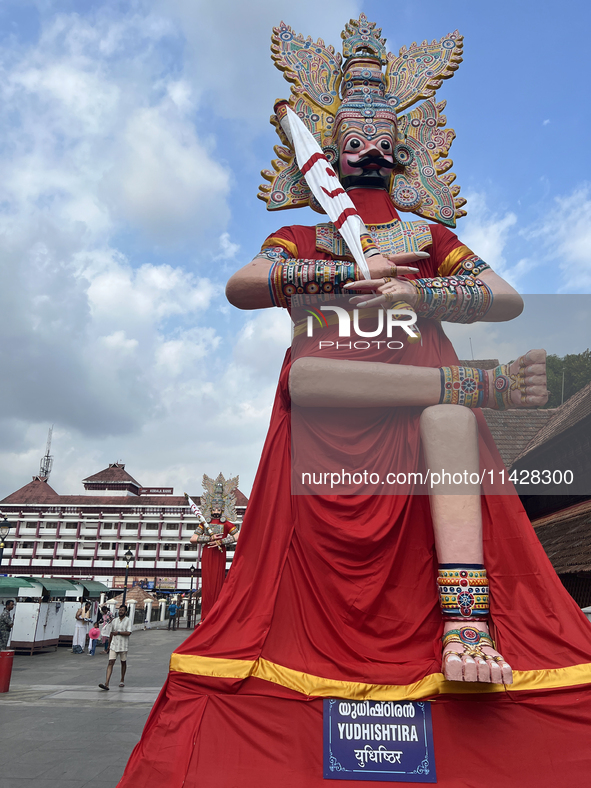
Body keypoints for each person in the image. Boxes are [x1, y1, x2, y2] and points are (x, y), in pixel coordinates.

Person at [119, 15, 591, 786]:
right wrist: (339, 279)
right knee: (312, 384)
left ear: (403, 146)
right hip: (330, 408)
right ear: (330, 145)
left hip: (418, 412)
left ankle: (466, 626)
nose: (365, 149)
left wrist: (418, 286)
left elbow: (499, 296)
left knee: (445, 422)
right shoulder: (305, 238)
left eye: (379, 135)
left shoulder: (427, 234)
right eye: (350, 135)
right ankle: (480, 385)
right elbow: (241, 286)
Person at [189, 474, 240, 621]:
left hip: (219, 553)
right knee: (207, 584)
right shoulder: (204, 523)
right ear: (210, 506)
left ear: (223, 507)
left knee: (218, 582)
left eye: (219, 507)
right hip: (207, 553)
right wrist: (208, 538)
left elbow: (238, 536)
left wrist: (223, 541)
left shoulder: (226, 523)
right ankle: (205, 616)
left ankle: (215, 616)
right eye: (214, 506)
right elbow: (193, 538)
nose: (216, 509)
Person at [99, 604, 131, 690]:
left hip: (123, 645)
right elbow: (111, 633)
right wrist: (109, 645)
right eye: (120, 610)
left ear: (126, 612)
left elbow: (128, 632)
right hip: (114, 645)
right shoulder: (114, 621)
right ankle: (107, 683)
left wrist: (119, 633)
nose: (120, 612)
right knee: (110, 662)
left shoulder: (128, 621)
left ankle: (122, 679)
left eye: (122, 610)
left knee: (123, 662)